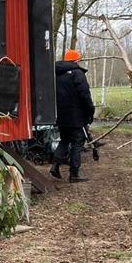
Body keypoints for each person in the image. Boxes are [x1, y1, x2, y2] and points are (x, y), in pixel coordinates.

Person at [50, 49, 94, 182]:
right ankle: (74, 174)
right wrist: (90, 111)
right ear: (77, 60)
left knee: (64, 140)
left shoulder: (56, 74)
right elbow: (85, 95)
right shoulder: (77, 74)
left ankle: (55, 165)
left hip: (61, 115)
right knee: (77, 142)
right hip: (76, 116)